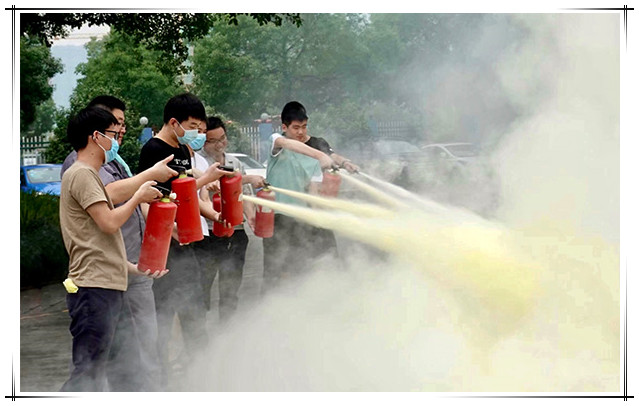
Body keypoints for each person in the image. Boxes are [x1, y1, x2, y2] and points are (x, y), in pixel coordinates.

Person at [60, 96, 176, 391]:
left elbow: (99, 243)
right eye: (113, 133)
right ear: (96, 137)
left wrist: (136, 269)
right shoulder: (82, 173)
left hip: (105, 283)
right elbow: (109, 223)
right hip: (93, 288)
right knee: (87, 372)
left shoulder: (88, 175)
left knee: (111, 368)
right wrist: (138, 196)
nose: (118, 138)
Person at [136, 93, 232, 387]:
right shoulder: (154, 150)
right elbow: (151, 199)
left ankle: (201, 375)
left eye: (201, 128)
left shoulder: (183, 150)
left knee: (194, 310)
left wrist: (214, 215)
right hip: (164, 248)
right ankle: (161, 381)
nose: (197, 134)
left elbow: (187, 195)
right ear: (174, 122)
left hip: (186, 244)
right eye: (193, 127)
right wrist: (167, 230)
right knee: (163, 317)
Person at [195, 116, 266, 322]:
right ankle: (199, 330)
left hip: (236, 232)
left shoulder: (234, 162)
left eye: (222, 139)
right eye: (213, 141)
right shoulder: (200, 163)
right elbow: (223, 182)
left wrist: (250, 217)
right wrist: (248, 178)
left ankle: (227, 327)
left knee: (231, 284)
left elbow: (243, 194)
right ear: (203, 141)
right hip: (210, 233)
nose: (219, 145)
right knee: (203, 284)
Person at [261, 102, 337, 293]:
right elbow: (287, 143)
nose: (301, 132)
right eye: (296, 128)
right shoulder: (276, 142)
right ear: (284, 127)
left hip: (299, 220)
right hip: (277, 218)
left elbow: (313, 192)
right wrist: (321, 155)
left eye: (304, 127)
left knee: (298, 271)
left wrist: (321, 217)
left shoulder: (311, 159)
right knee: (275, 273)